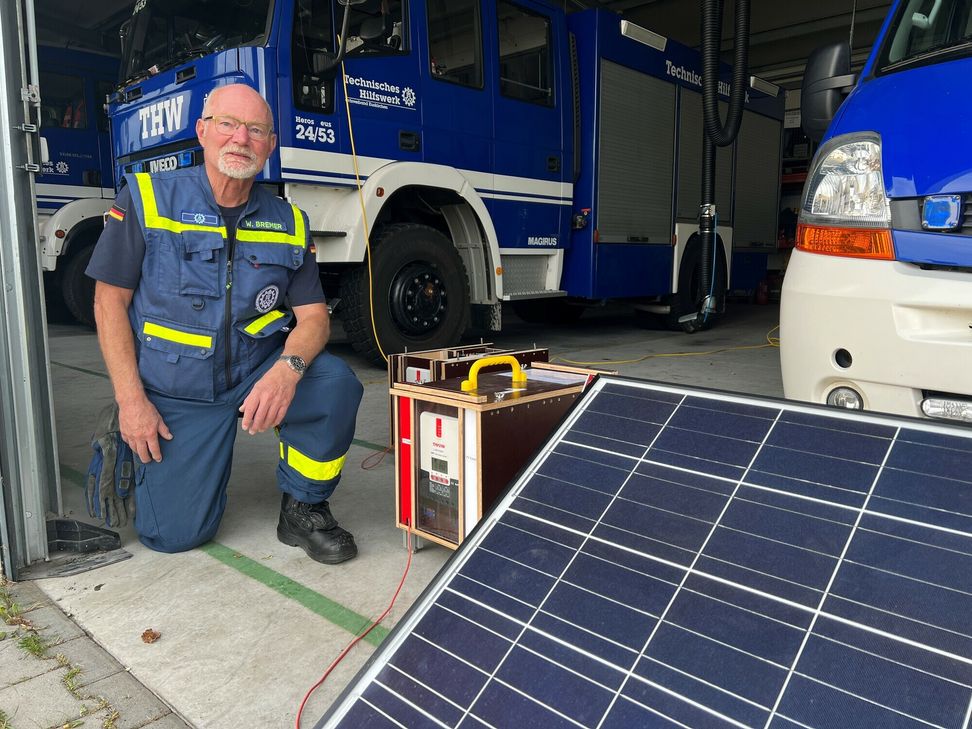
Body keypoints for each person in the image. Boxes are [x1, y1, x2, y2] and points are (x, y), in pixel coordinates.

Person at [86, 83, 363, 564]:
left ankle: (303, 505)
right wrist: (131, 401)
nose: (241, 139)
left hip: (256, 371)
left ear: (270, 145)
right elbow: (109, 302)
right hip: (177, 388)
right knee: (172, 536)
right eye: (228, 125)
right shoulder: (148, 199)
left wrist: (287, 370)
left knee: (334, 382)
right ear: (202, 132)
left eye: (256, 130)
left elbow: (314, 318)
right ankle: (137, 436)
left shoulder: (290, 219)